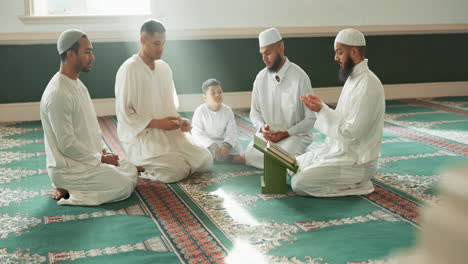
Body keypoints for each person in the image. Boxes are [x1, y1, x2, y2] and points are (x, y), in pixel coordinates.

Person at [40, 29, 139, 206]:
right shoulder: (58, 93)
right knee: (124, 184)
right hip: (69, 167)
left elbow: (90, 127)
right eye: (87, 52)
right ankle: (72, 190)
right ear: (71, 54)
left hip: (86, 159)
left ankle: (74, 186)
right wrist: (100, 159)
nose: (92, 57)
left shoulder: (77, 84)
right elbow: (67, 144)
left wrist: (102, 151)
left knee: (129, 168)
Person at [115, 20, 212, 183]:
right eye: (156, 43)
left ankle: (169, 161)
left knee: (206, 159)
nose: (160, 49)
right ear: (142, 40)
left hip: (168, 133)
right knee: (176, 170)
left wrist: (180, 121)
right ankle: (140, 166)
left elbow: (169, 107)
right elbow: (125, 116)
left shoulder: (164, 68)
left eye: (163, 43)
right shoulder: (129, 69)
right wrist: (157, 123)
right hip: (143, 136)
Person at [292, 28, 385, 197]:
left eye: (340, 52)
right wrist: (321, 108)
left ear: (354, 51)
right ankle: (338, 177)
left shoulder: (368, 84)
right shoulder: (353, 78)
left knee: (300, 183)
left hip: (357, 162)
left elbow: (351, 133)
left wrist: (322, 110)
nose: (336, 58)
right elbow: (342, 120)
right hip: (339, 152)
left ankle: (358, 184)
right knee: (291, 166)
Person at [245, 28, 316, 169]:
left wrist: (286, 133)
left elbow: (311, 119)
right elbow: (255, 113)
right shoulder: (260, 78)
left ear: (280, 49)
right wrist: (261, 128)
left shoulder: (300, 77)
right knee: (250, 155)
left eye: (268, 53)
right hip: (269, 136)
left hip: (294, 135)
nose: (264, 58)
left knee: (281, 158)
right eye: (262, 54)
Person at [191, 78, 245, 164]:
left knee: (240, 158)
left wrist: (226, 146)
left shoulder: (227, 110)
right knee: (197, 153)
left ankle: (218, 159)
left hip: (224, 143)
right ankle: (225, 159)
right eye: (213, 93)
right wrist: (213, 146)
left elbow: (232, 131)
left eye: (219, 92)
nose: (217, 95)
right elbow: (197, 133)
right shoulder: (200, 111)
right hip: (208, 144)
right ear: (205, 97)